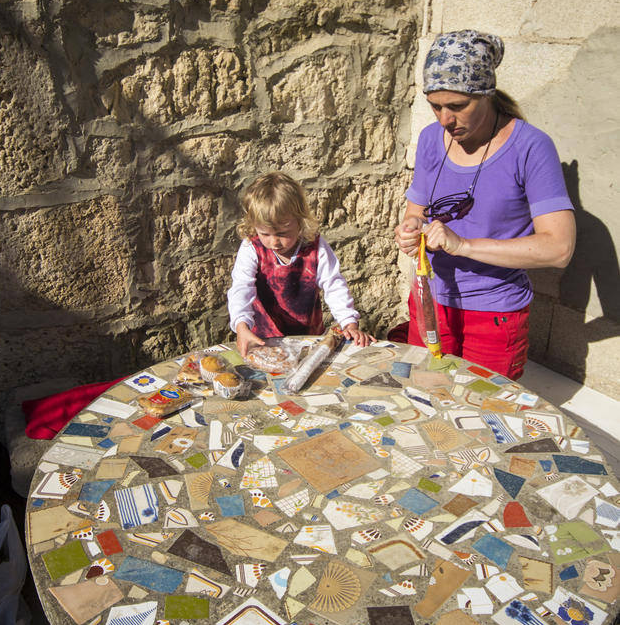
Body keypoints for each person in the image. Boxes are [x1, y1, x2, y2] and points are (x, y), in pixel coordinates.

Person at [394, 29, 575, 379]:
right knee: (423, 400)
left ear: (487, 95)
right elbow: (416, 209)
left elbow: (559, 248)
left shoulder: (531, 147)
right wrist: (410, 229)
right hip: (430, 301)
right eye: (435, 106)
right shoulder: (432, 138)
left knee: (484, 417)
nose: (445, 119)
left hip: (493, 315)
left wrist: (463, 245)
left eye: (458, 106)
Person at [228, 172, 375, 357]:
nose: (274, 242)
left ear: (300, 220)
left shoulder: (315, 248)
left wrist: (349, 323)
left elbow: (334, 285)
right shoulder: (252, 248)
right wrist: (241, 325)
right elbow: (241, 287)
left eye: (282, 233)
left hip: (308, 340)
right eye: (265, 234)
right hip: (264, 341)